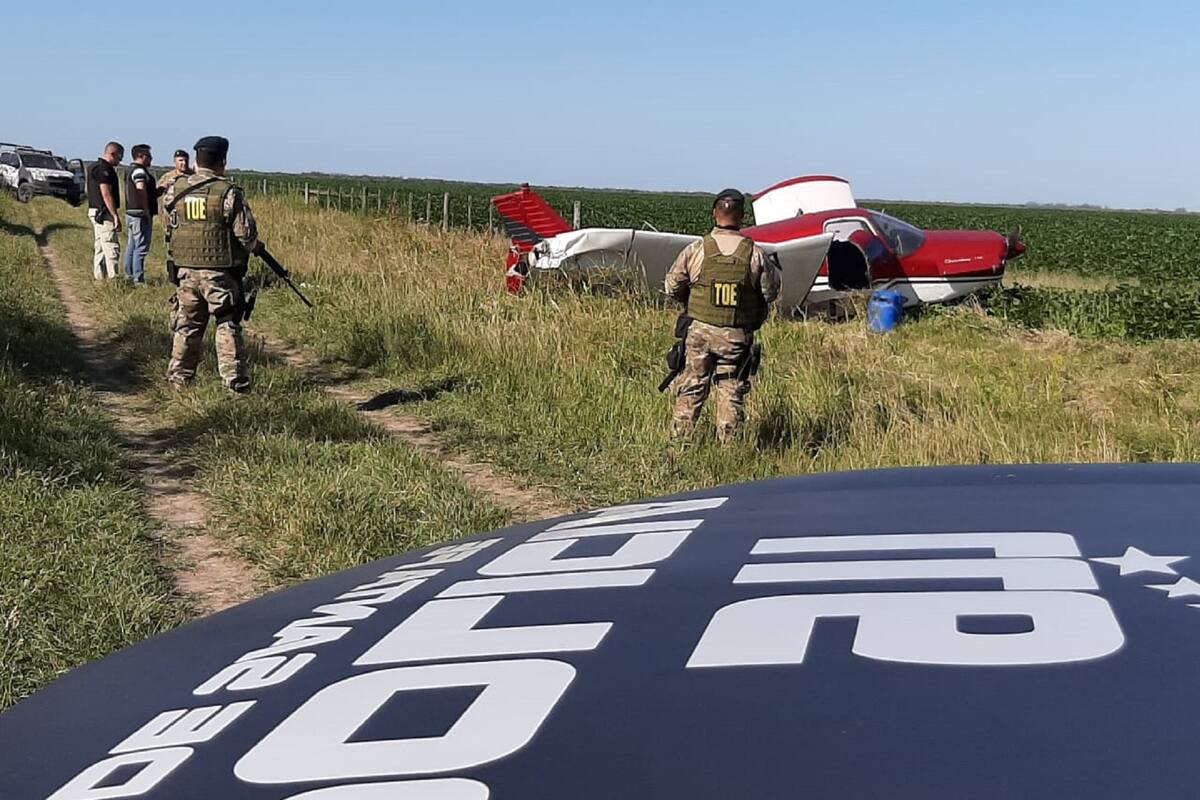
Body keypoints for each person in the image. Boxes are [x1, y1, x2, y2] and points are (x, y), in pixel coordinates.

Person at [664, 188, 780, 443]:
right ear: (741, 217)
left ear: (715, 213)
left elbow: (671, 286)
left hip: (699, 333)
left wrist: (692, 299)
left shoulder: (696, 249)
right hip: (736, 336)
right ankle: (729, 447)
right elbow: (771, 292)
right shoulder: (755, 253)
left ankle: (680, 444)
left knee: (692, 385)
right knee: (731, 389)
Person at [161, 136, 260, 393]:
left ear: (196, 160)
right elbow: (246, 236)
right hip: (220, 273)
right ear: (223, 161)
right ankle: (234, 383)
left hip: (184, 271)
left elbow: (170, 225)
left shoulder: (175, 190)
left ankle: (179, 381)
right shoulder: (227, 193)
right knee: (226, 324)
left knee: (187, 326)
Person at [86, 141, 124, 280]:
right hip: (103, 213)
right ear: (112, 154)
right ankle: (114, 279)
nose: (120, 161)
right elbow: (106, 193)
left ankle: (99, 278)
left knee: (100, 247)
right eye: (119, 157)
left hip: (95, 211)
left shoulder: (93, 167)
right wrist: (115, 215)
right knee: (111, 246)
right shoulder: (104, 169)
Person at [123, 144, 156, 285]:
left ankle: (129, 275)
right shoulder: (139, 172)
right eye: (149, 156)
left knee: (132, 246)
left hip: (131, 212)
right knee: (141, 248)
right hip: (140, 214)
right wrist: (146, 210)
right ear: (141, 156)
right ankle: (138, 279)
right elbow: (141, 190)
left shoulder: (129, 170)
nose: (151, 160)